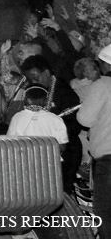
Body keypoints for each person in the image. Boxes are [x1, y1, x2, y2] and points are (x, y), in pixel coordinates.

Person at [20, 54, 82, 192]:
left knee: (60, 193)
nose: (34, 82)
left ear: (47, 72)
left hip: (66, 152)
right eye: (30, 80)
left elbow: (75, 124)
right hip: (43, 151)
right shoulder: (36, 92)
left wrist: (52, 128)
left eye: (36, 77)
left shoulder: (63, 91)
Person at [77, 44, 111, 239]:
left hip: (108, 158)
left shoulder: (103, 84)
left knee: (106, 213)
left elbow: (85, 119)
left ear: (105, 65)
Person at [7, 85, 69, 152]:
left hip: (25, 159)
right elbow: (62, 146)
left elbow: (10, 144)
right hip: (49, 160)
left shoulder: (17, 117)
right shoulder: (55, 118)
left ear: (27, 100)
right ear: (45, 101)